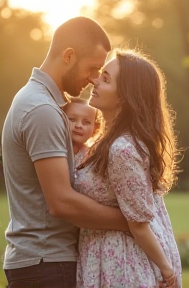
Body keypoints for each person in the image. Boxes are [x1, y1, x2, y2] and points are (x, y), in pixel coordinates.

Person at [1, 17, 128, 288]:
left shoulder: (40, 102)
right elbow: (61, 202)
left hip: (42, 263)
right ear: (69, 55)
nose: (94, 79)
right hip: (46, 264)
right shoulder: (41, 109)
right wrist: (132, 221)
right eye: (92, 68)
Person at [75, 49, 182, 288]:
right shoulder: (102, 142)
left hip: (123, 266)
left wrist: (168, 272)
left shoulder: (122, 148)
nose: (95, 81)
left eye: (106, 79)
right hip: (103, 256)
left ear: (124, 96)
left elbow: (139, 223)